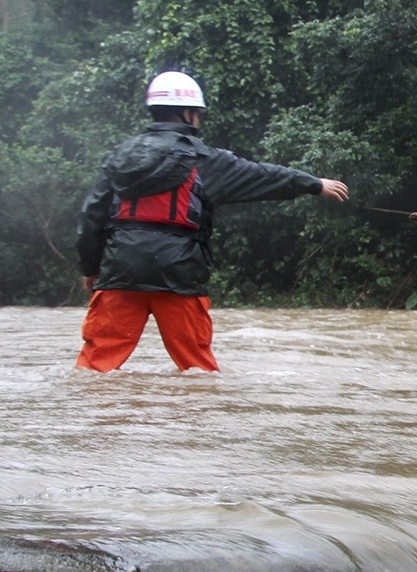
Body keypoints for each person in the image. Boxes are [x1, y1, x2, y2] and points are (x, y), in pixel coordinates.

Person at [74, 70, 350, 372]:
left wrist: (90, 268)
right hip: (179, 275)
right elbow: (263, 176)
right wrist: (314, 183)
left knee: (95, 368)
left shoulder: (118, 157)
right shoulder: (206, 160)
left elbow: (92, 217)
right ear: (188, 114)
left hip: (120, 272)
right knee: (197, 371)